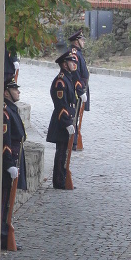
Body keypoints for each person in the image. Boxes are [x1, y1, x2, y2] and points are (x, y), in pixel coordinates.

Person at [46, 47, 79, 189]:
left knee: (65, 152)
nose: (74, 64)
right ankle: (59, 181)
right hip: (61, 121)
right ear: (65, 64)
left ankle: (63, 177)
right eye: (71, 61)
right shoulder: (61, 81)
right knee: (61, 152)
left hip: (68, 119)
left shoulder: (68, 78)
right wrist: (67, 122)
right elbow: (61, 105)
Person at [1, 77, 27, 250]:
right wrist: (9, 163)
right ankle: (3, 236)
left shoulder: (12, 109)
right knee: (4, 201)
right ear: (6, 93)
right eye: (14, 89)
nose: (18, 91)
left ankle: (5, 233)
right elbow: (5, 140)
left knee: (9, 200)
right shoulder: (5, 112)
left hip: (16, 157)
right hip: (10, 159)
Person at [68, 28, 90, 148]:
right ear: (76, 41)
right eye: (82, 40)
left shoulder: (77, 53)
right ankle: (73, 141)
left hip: (81, 87)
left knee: (76, 116)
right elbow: (75, 73)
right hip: (76, 90)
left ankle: (74, 141)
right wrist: (80, 91)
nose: (84, 42)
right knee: (74, 115)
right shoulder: (74, 54)